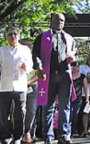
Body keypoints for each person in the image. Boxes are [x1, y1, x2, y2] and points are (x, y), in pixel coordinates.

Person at [32, 13, 77, 144]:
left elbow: (75, 55)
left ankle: (63, 135)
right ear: (51, 21)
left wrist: (73, 59)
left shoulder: (69, 38)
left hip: (64, 75)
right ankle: (48, 136)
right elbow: (35, 54)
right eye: (57, 19)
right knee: (48, 107)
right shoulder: (42, 37)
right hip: (48, 75)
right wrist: (38, 67)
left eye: (62, 20)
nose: (59, 22)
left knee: (65, 106)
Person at [0, 28, 33, 144]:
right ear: (6, 37)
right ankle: (6, 137)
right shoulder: (2, 50)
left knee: (20, 112)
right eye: (10, 34)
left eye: (15, 34)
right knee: (4, 114)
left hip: (20, 85)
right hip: (5, 86)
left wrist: (26, 67)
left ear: (19, 36)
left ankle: (18, 137)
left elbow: (30, 66)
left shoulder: (25, 50)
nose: (13, 36)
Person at [19, 39, 38, 144]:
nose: (26, 47)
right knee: (19, 111)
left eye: (28, 45)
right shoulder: (15, 57)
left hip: (31, 87)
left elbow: (38, 74)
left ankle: (27, 131)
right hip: (17, 87)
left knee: (31, 112)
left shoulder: (34, 58)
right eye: (24, 45)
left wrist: (28, 82)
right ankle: (19, 134)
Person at [69, 62, 88, 138]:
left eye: (76, 66)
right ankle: (69, 131)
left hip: (78, 98)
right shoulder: (68, 75)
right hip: (68, 98)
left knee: (76, 115)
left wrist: (87, 98)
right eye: (73, 66)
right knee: (69, 115)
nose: (75, 68)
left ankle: (77, 130)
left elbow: (86, 88)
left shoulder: (82, 76)